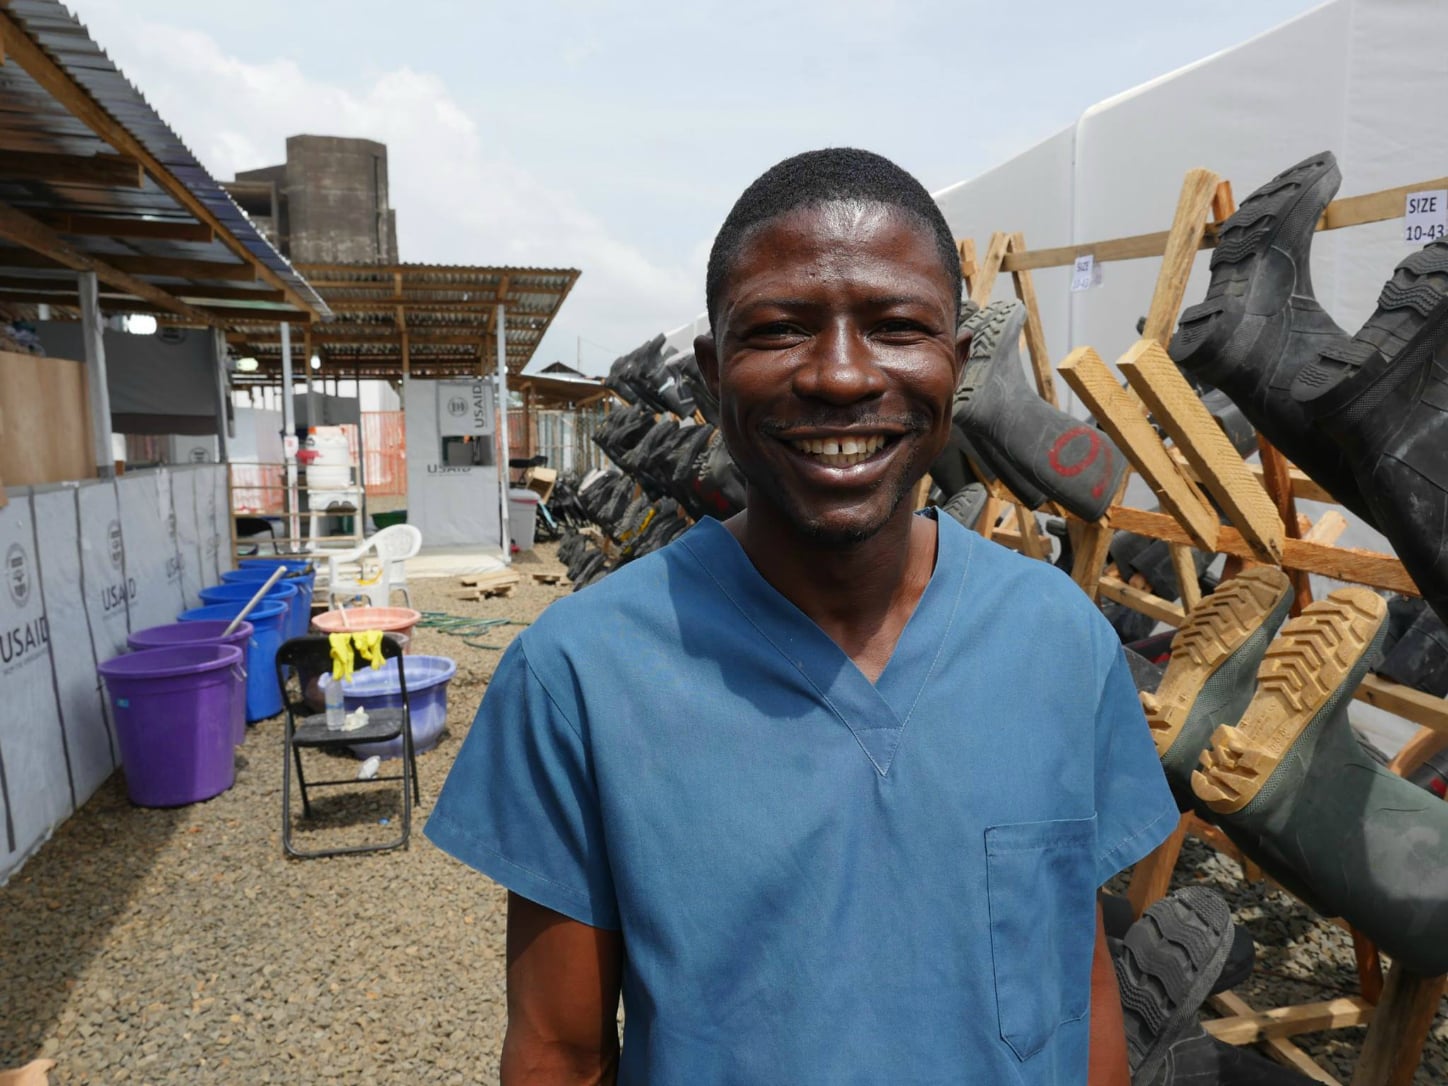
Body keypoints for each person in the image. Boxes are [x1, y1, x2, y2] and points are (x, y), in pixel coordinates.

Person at [426, 148, 1178, 1084]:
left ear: (955, 364)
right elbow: (559, 1052)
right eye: (781, 330)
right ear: (711, 377)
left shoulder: (1058, 641)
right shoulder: (581, 676)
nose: (841, 377)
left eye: (897, 327)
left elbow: (1079, 981)